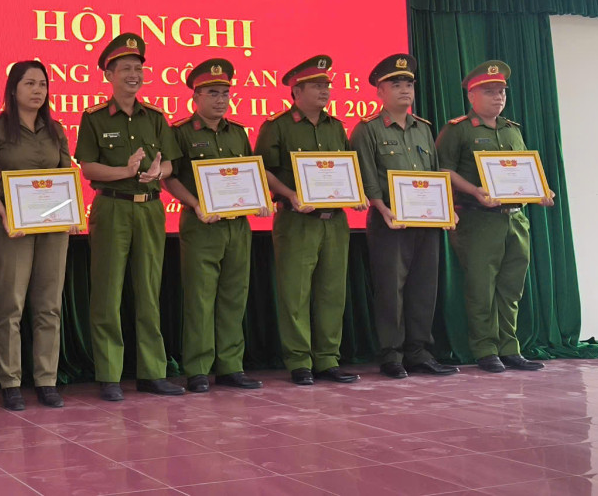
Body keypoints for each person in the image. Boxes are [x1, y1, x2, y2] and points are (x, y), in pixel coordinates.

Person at [75, 33, 184, 401]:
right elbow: (88, 167)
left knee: (149, 291)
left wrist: (157, 172)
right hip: (112, 207)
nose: (134, 75)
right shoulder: (93, 117)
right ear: (109, 75)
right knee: (108, 292)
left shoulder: (155, 117)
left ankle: (152, 372)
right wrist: (125, 171)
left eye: (138, 68)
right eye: (125, 69)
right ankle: (109, 374)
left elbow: (169, 164)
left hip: (150, 208)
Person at [436, 60, 555, 374]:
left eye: (501, 91)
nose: (498, 97)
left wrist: (541, 191)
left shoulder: (512, 130)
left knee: (511, 288)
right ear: (472, 96)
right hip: (478, 221)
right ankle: (485, 349)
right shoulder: (458, 129)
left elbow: (524, 171)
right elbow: (443, 171)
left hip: (515, 219)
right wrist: (474, 190)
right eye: (489, 91)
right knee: (481, 288)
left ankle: (510, 348)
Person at [0, 61, 79, 411]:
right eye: (29, 83)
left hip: (52, 229)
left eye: (43, 84)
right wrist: (3, 212)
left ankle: (46, 380)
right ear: (13, 89)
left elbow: (66, 176)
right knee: (11, 306)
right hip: (11, 228)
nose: (37, 90)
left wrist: (72, 213)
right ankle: (11, 382)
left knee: (49, 306)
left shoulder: (55, 129)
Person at [350, 54, 460, 379]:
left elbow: (435, 175)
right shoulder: (367, 129)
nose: (404, 90)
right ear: (379, 91)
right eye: (395, 84)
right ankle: (391, 354)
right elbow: (366, 176)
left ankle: (418, 352)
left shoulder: (423, 129)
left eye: (408, 84)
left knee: (423, 288)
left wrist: (446, 208)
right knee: (391, 290)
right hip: (390, 222)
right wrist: (382, 207)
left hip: (426, 221)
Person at [256, 55, 363, 386]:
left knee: (332, 292)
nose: (324, 91)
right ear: (297, 91)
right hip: (296, 221)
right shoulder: (277, 126)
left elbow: (345, 169)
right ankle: (299, 360)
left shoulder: (336, 126)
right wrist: (290, 194)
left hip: (335, 221)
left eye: (326, 85)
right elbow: (262, 170)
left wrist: (355, 193)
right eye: (316, 86)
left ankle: (327, 359)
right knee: (295, 293)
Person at [163, 58, 267, 393]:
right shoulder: (180, 132)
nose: (221, 100)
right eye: (212, 93)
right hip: (201, 225)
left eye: (225, 93)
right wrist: (195, 204)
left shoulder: (237, 132)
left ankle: (231, 366)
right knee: (200, 298)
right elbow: (170, 178)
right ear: (196, 97)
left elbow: (249, 173)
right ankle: (197, 368)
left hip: (238, 226)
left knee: (234, 297)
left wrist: (260, 199)